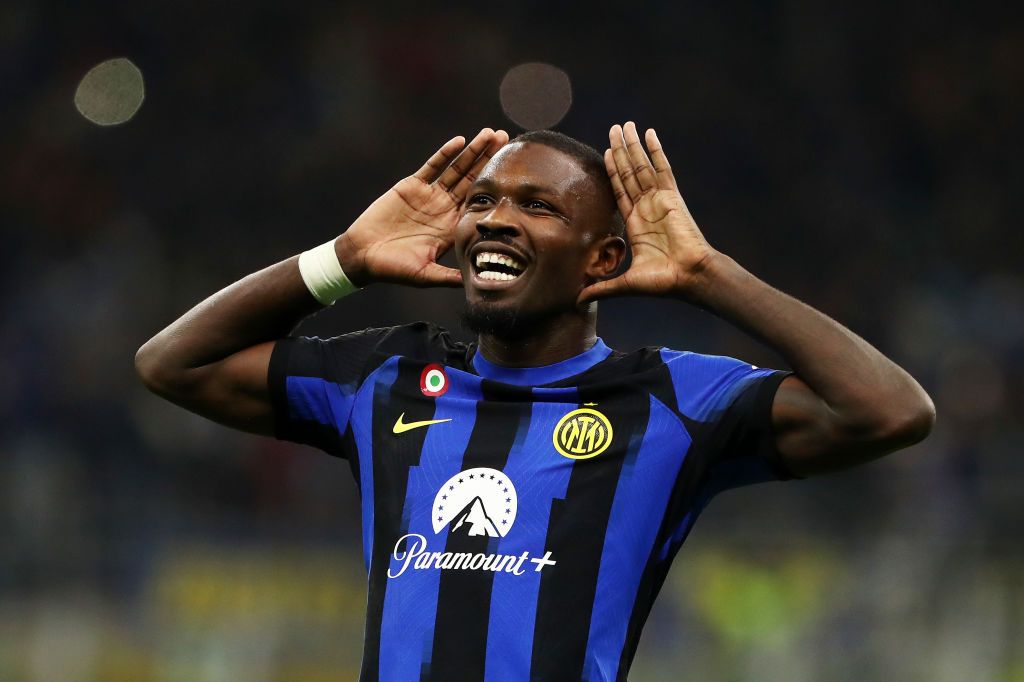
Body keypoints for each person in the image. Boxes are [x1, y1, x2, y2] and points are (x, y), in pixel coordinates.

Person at [136, 122, 935, 681]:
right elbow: (173, 363)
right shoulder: (386, 375)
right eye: (481, 203)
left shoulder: (671, 399)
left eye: (539, 207)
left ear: (605, 260)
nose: (498, 221)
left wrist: (707, 275)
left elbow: (890, 411)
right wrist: (341, 260)